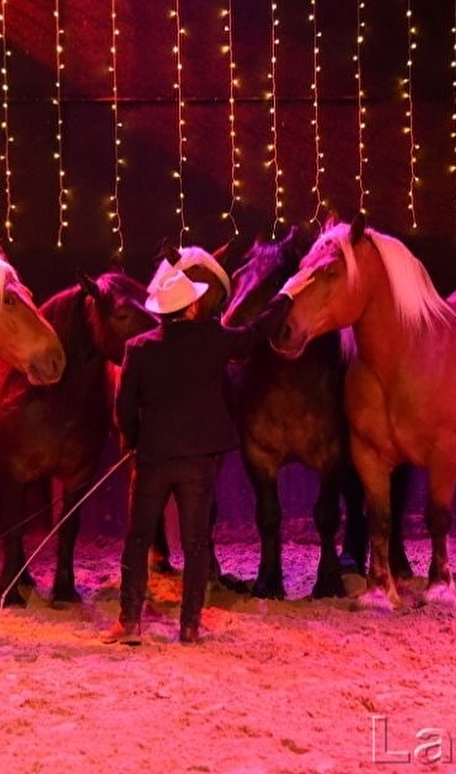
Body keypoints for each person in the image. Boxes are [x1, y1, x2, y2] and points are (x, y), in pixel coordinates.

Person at [105, 264, 301, 645]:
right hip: (199, 460)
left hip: (153, 459)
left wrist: (131, 440)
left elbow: (123, 407)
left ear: (161, 311)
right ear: (192, 308)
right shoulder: (212, 338)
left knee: (138, 537)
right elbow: (253, 335)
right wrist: (284, 299)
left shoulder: (139, 349)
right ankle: (190, 625)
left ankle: (129, 621)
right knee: (196, 544)